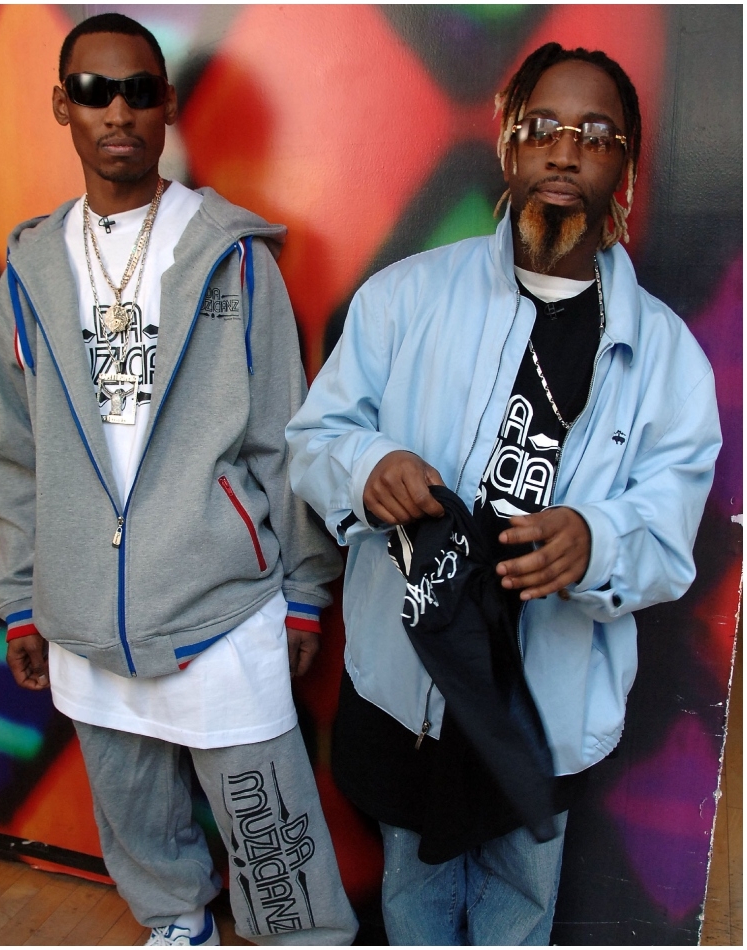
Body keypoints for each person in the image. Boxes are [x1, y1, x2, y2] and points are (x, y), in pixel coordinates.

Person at [286, 42, 721, 946]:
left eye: (597, 136)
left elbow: (671, 537)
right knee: (417, 900)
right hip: (416, 688)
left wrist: (596, 543)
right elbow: (313, 441)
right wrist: (368, 467)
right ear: (510, 148)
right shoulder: (404, 299)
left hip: (545, 709)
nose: (568, 151)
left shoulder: (669, 355)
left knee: (522, 905)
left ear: (627, 170)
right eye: (546, 128)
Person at [0, 13, 357, 947]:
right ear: (61, 104)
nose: (120, 110)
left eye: (141, 90)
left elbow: (286, 438)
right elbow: (14, 455)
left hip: (219, 605)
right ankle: (177, 926)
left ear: (169, 104)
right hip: (83, 613)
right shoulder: (29, 272)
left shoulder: (234, 258)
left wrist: (304, 596)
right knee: (136, 815)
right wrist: (23, 599)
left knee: (271, 839)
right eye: (96, 90)